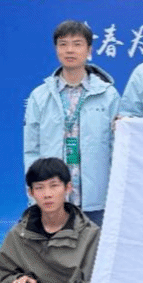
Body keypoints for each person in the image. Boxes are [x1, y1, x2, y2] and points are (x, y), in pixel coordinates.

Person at [23, 20, 120, 226]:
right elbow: (32, 150)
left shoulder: (108, 95)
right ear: (56, 49)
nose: (70, 50)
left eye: (77, 44)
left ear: (89, 50)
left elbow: (116, 149)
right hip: (53, 200)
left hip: (97, 200)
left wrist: (116, 194)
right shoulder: (39, 96)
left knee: (95, 247)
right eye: (63, 44)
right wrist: (36, 195)